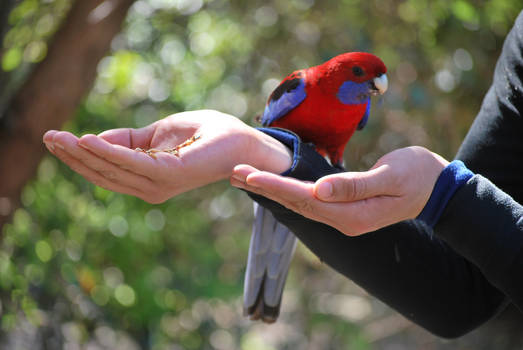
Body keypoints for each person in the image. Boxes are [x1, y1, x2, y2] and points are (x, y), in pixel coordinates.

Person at [43, 11, 523, 338]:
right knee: (273, 233)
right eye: (362, 75)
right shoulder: (299, 86)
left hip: (322, 162)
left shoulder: (358, 111)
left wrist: (445, 193)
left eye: (375, 80)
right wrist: (257, 148)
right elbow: (463, 289)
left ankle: (263, 299)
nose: (374, 87)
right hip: (286, 159)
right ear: (340, 73)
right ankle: (259, 299)